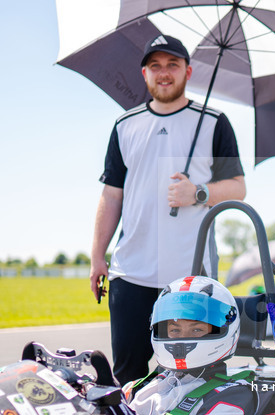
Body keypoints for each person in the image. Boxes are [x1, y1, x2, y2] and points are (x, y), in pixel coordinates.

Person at [90, 35, 247, 385]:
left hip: (191, 275)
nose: (164, 73)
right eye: (156, 66)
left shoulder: (213, 122)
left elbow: (238, 187)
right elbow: (111, 196)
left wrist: (199, 192)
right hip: (131, 272)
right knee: (128, 377)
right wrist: (97, 255)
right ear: (144, 73)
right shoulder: (124, 125)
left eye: (172, 65)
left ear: (188, 71)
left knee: (191, 375)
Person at [122, 276, 257, 415]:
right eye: (175, 330)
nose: (182, 338)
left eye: (197, 330)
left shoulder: (232, 396)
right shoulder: (147, 385)